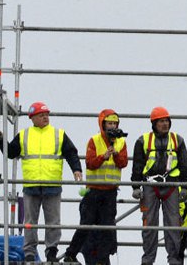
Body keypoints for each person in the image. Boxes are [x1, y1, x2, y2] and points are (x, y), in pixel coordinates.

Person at [0, 102, 82, 263]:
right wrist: (1, 141)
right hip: (31, 185)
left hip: (52, 185)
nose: (45, 117)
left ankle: (51, 252)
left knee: (53, 223)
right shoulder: (24, 135)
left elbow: (71, 153)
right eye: (41, 115)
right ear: (32, 118)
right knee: (30, 223)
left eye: (47, 114)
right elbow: (11, 153)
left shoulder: (58, 134)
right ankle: (29, 253)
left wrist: (77, 169)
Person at [62, 109, 128, 265]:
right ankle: (70, 254)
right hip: (93, 190)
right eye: (109, 123)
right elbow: (90, 163)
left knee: (107, 227)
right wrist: (103, 157)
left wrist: (116, 154)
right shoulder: (94, 140)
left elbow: (123, 163)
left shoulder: (121, 142)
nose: (112, 126)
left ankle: (102, 259)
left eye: (114, 123)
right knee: (86, 223)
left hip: (110, 191)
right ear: (102, 124)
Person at [131, 107, 187, 265]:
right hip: (150, 186)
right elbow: (137, 165)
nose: (164, 124)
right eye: (161, 121)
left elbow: (185, 166)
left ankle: (174, 260)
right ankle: (148, 260)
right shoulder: (143, 141)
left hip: (171, 185)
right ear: (154, 124)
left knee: (173, 225)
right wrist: (136, 187)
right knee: (149, 224)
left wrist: (184, 188)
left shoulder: (178, 140)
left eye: (166, 121)